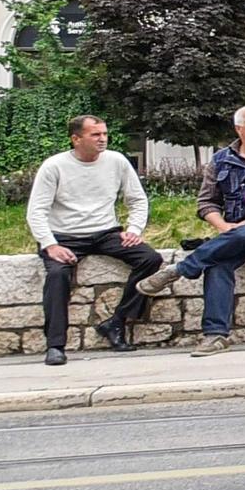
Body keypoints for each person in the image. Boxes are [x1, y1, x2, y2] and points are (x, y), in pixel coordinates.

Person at [124, 101, 245, 351]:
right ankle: (215, 335)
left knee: (238, 237)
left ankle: (179, 269)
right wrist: (222, 225)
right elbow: (206, 202)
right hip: (234, 233)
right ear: (239, 129)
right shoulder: (221, 160)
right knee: (217, 262)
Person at [27, 114, 161, 366]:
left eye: (104, 134)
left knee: (150, 259)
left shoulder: (116, 161)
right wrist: (50, 244)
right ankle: (55, 345)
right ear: (76, 139)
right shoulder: (54, 166)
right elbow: (37, 210)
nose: (102, 139)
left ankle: (117, 322)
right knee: (57, 276)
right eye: (95, 135)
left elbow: (137, 199)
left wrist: (133, 229)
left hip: (106, 232)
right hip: (64, 236)